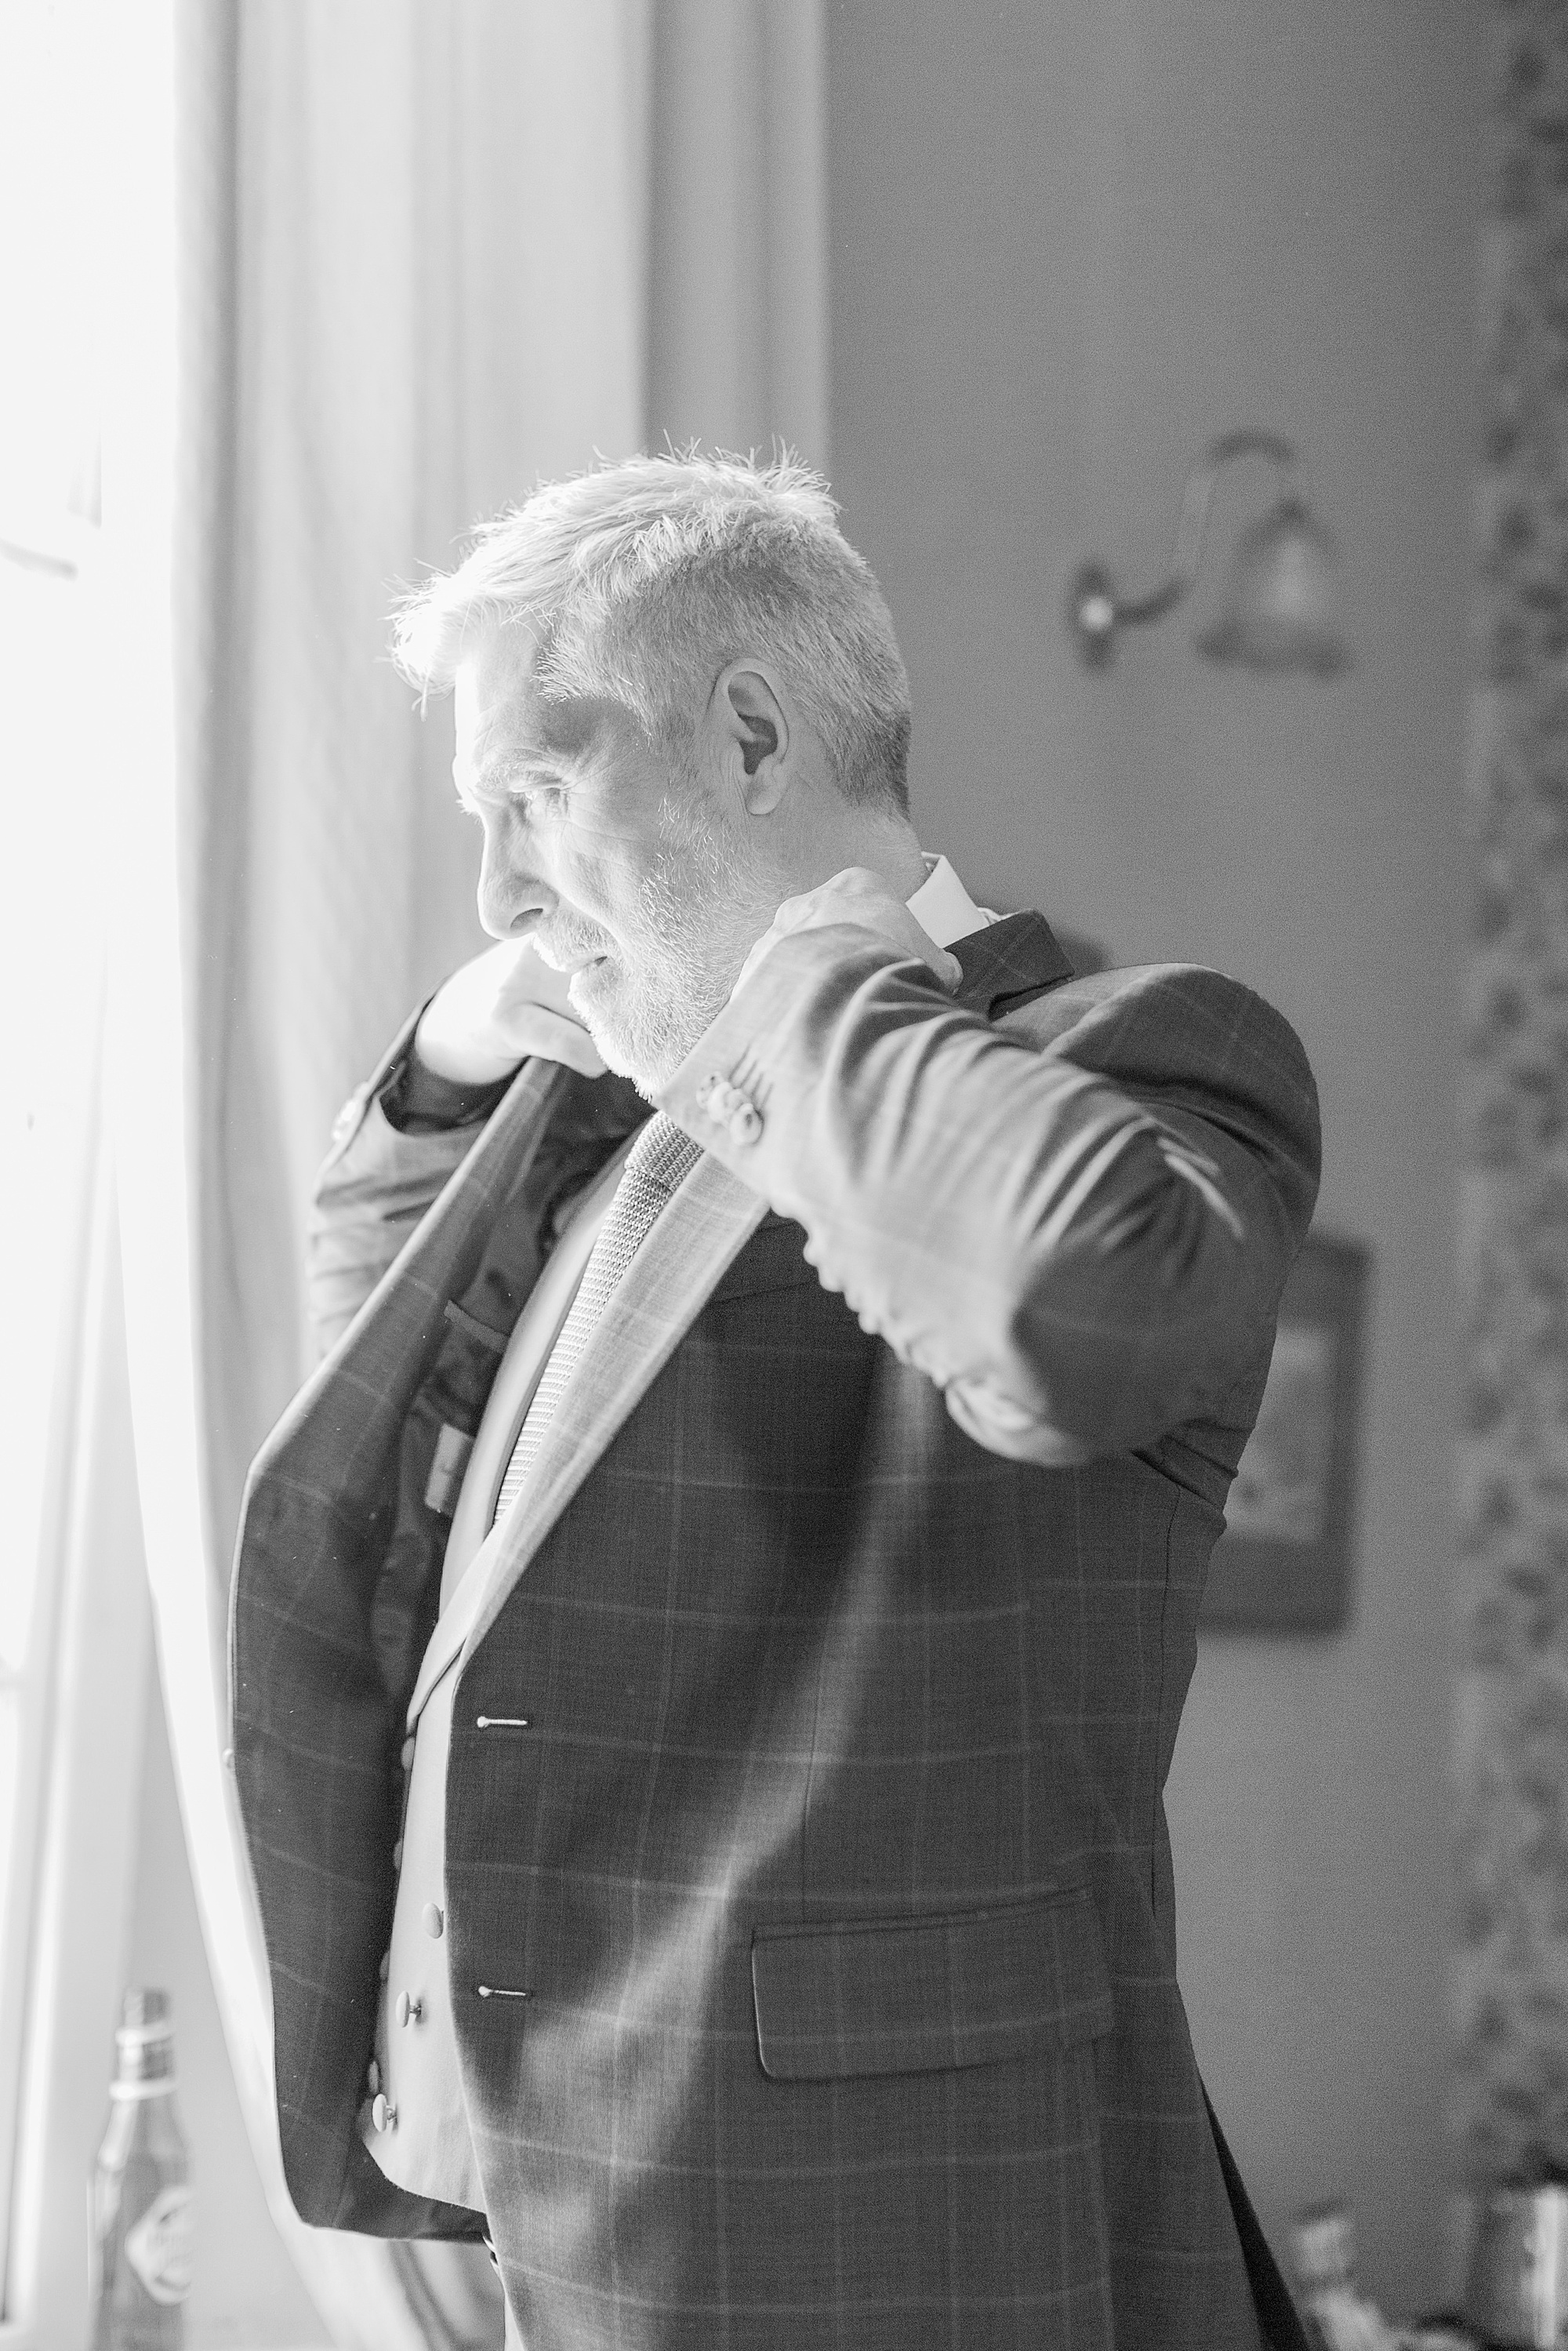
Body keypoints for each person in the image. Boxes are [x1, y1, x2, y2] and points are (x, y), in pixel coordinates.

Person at [230, 452, 1320, 2351]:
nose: (496, 886)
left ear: (748, 736)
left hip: (839, 2242)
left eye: (536, 794)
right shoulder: (595, 1094)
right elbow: (389, 1376)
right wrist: (451, 1053)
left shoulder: (1133, 1059)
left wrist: (805, 952)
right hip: (501, 2213)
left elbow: (1078, 1308)